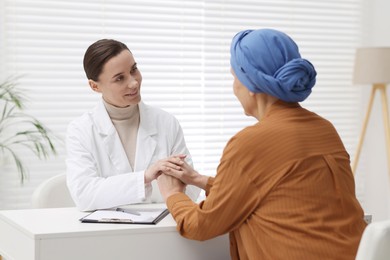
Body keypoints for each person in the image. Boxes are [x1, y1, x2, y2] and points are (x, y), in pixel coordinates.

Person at [157, 29, 367, 260]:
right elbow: (279, 191)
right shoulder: (325, 129)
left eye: (234, 77)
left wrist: (172, 194)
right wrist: (201, 181)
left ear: (250, 84)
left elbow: (201, 226)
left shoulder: (249, 142)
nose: (233, 87)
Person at [66, 39, 200, 211]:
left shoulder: (166, 123)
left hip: (164, 229)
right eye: (120, 78)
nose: (134, 82)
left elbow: (191, 189)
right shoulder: (81, 130)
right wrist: (146, 177)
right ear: (94, 86)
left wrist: (111, 191)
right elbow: (84, 195)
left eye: (133, 70)